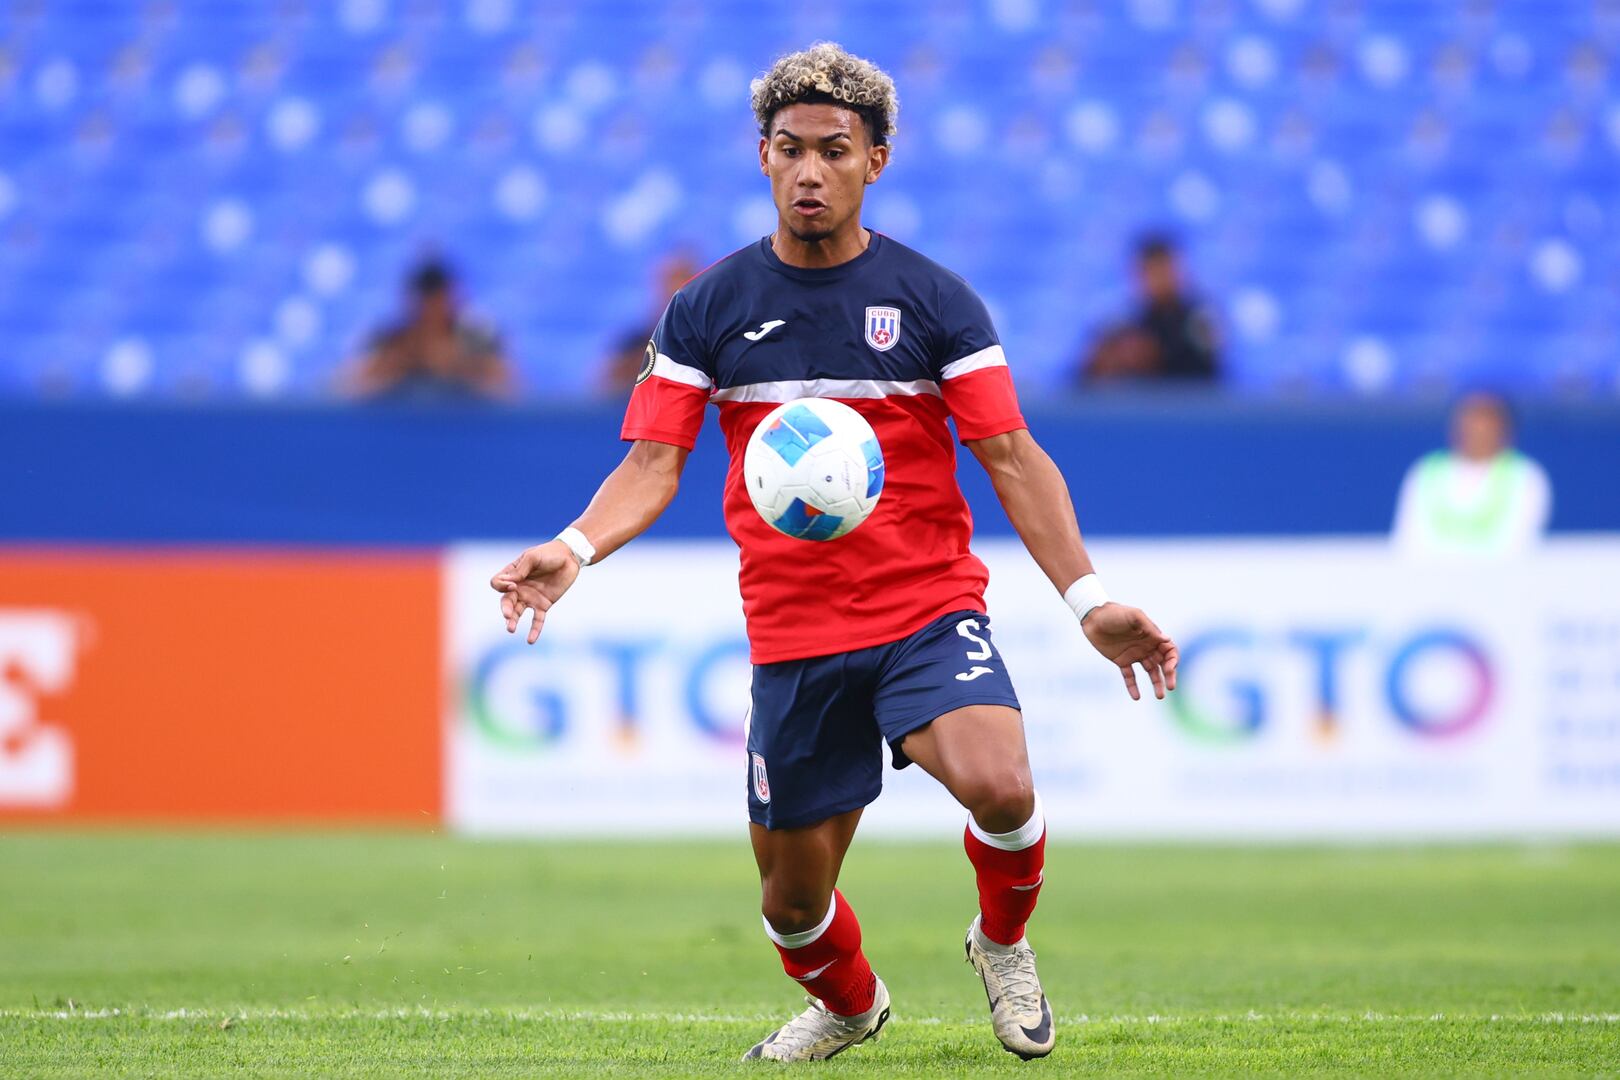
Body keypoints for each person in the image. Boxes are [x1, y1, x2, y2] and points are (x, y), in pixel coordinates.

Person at [489, 43, 1178, 1064]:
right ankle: (852, 1005)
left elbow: (1012, 456)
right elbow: (650, 463)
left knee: (1003, 785)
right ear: (762, 158)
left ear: (877, 160)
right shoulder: (708, 310)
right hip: (794, 632)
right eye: (789, 149)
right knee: (793, 904)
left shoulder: (937, 303)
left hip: (924, 610)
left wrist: (1088, 601)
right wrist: (574, 548)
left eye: (834, 150)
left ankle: (1002, 942)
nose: (810, 170)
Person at [1392, 392, 1552, 558]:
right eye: (1467, 419)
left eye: (1484, 419)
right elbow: (1407, 542)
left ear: (1505, 429)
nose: (1474, 427)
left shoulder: (1525, 475)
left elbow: (1518, 545)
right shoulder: (1425, 471)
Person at [341, 259, 514, 399]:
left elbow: (511, 389)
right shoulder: (389, 338)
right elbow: (348, 389)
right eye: (425, 302)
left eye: (438, 301)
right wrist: (401, 362)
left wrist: (459, 365)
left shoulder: (478, 337)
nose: (432, 311)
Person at [1082, 234, 1219, 382]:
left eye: (1164, 270)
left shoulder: (1201, 316)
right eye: (1151, 271)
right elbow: (1084, 377)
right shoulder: (1124, 322)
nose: (1159, 279)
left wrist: (1156, 356)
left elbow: (1207, 371)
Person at [600, 252, 704, 393]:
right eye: (670, 283)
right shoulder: (633, 349)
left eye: (686, 282)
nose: (675, 291)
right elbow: (606, 389)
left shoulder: (718, 346)